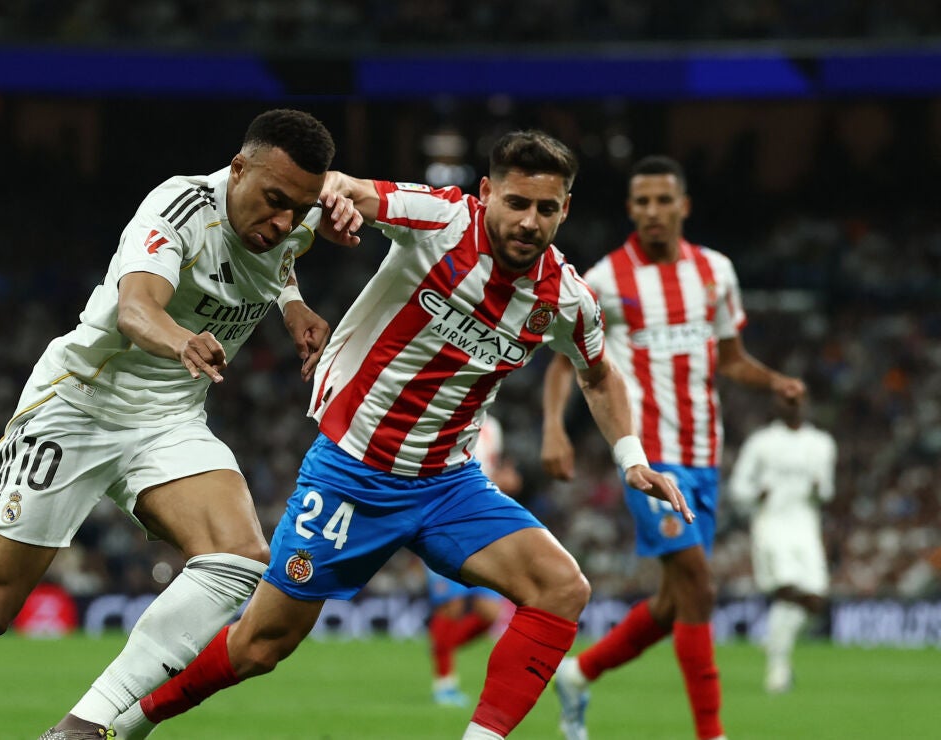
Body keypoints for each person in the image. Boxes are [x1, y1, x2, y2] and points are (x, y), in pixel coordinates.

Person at [0, 108, 363, 740]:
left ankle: (82, 727)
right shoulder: (177, 208)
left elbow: (277, 261)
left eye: (297, 209)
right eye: (273, 200)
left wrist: (294, 306)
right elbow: (137, 305)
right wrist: (179, 341)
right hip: (79, 405)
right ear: (238, 169)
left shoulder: (297, 219)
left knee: (238, 556)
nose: (281, 222)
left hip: (168, 416)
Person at [110, 129, 691, 740]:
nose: (529, 221)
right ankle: (127, 723)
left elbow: (599, 375)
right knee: (260, 646)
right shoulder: (440, 219)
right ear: (487, 192)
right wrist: (336, 196)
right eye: (517, 203)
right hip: (353, 472)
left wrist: (631, 458)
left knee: (561, 588)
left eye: (546, 209)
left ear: (564, 210)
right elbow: (355, 191)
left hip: (448, 484)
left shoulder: (566, 299)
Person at [541, 155, 806, 740]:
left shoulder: (715, 271)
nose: (653, 212)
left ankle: (578, 675)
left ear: (683, 205)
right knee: (701, 586)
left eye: (664, 200)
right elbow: (567, 360)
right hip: (649, 458)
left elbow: (731, 360)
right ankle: (712, 733)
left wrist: (776, 383)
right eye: (642, 202)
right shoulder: (605, 279)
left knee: (672, 605)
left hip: (704, 455)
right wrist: (555, 428)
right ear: (630, 209)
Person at [727, 394, 835, 694]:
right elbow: (738, 486)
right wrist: (754, 495)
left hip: (805, 525)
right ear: (776, 406)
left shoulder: (822, 443)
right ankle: (777, 669)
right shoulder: (761, 442)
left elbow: (827, 490)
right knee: (787, 589)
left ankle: (774, 640)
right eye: (787, 400)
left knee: (815, 596)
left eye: (798, 400)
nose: (794, 405)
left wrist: (818, 488)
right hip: (771, 523)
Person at [426, 414, 521, 707]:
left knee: (490, 612)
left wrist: (504, 481)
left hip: (481, 524)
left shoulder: (493, 426)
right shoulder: (443, 414)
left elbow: (493, 470)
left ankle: (441, 648)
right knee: (452, 607)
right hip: (441, 518)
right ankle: (444, 683)